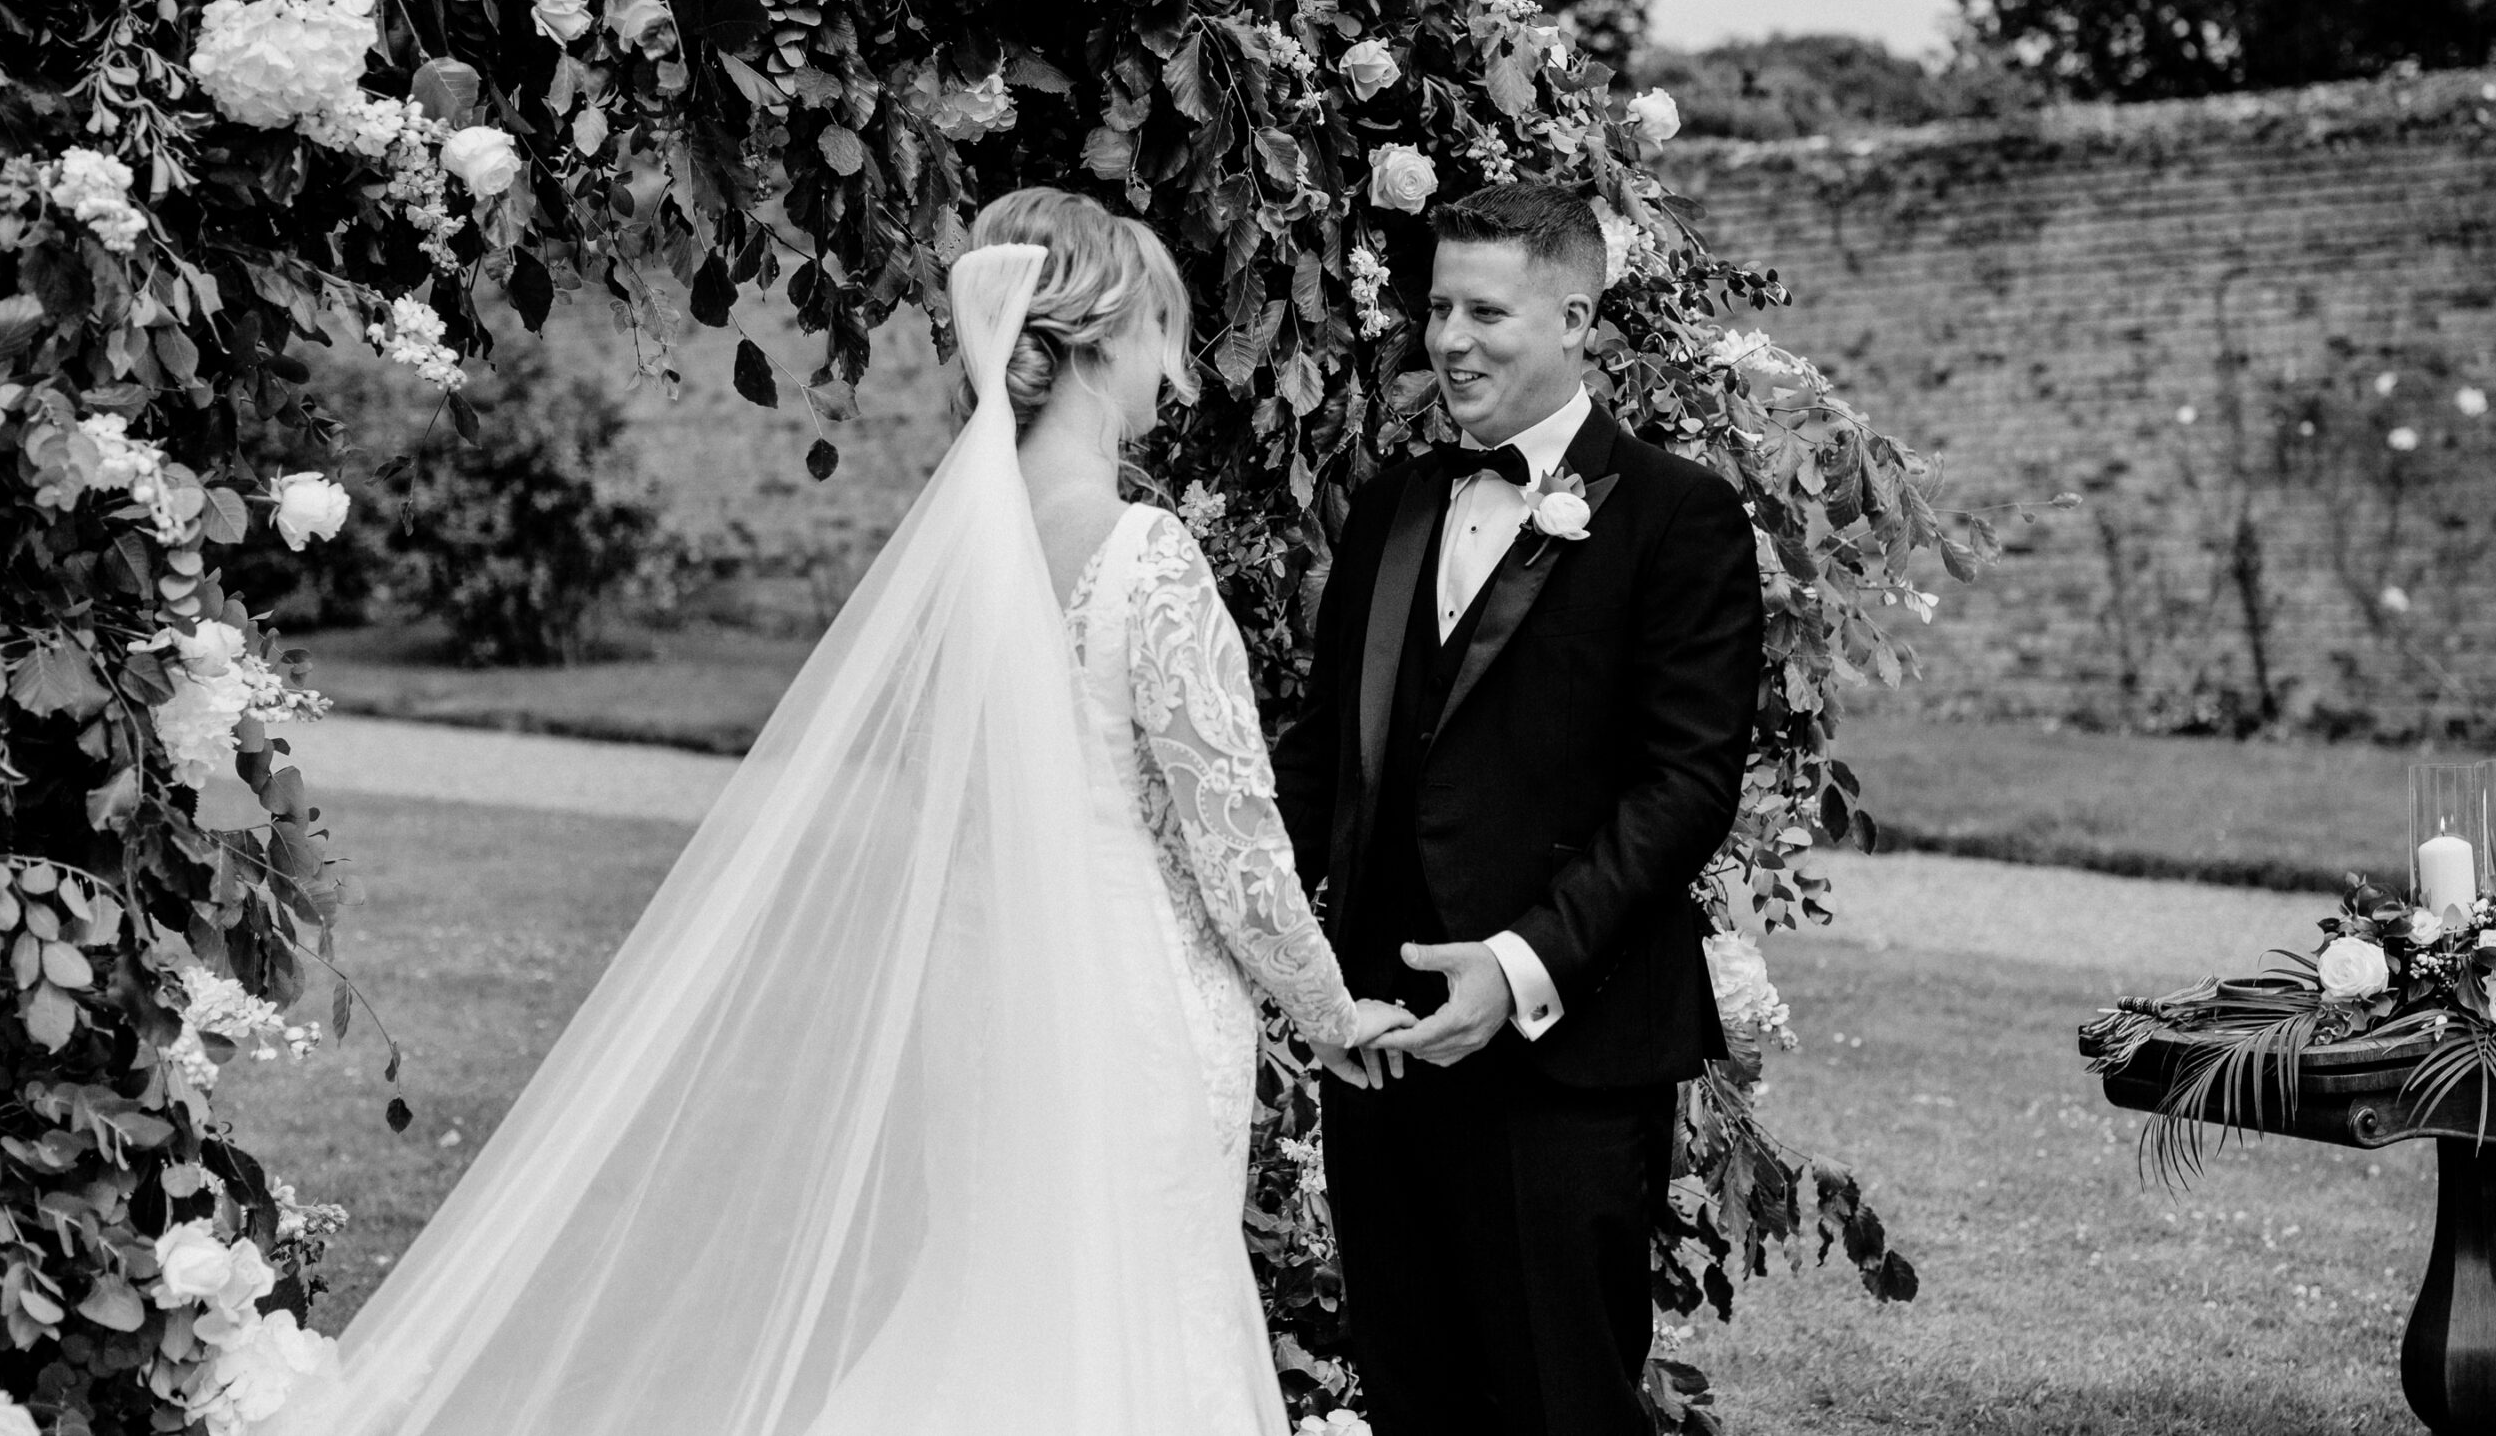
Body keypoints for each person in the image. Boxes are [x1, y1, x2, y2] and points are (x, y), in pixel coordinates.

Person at [270, 187, 1409, 1436]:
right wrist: (1330, 1007)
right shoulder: (1147, 556)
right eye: (1165, 333)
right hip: (1128, 999)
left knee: (993, 1298)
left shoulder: (957, 553)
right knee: (1127, 1323)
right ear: (1103, 335)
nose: (1173, 368)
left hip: (979, 995)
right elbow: (1234, 842)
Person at [1272, 182, 1765, 1436]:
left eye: (1486, 310)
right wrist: (1269, 943)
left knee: (1564, 1402)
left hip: (1569, 1049)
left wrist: (1517, 963)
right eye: (1437, 307)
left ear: (1577, 317)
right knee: (1415, 1391)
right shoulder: (1390, 504)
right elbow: (1327, 753)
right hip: (1382, 1046)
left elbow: (1685, 786)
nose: (1449, 340)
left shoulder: (1675, 516)